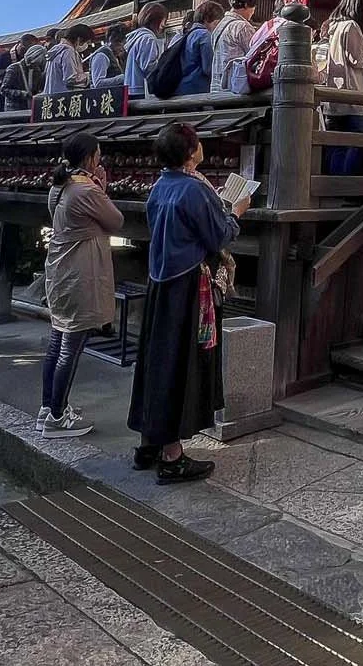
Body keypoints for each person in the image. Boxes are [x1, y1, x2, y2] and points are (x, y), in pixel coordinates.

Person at [129, 122, 246, 483]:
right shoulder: (195, 191)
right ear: (190, 151)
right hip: (187, 287)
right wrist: (237, 211)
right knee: (181, 364)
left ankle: (150, 441)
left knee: (157, 360)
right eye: (197, 142)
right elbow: (218, 235)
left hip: (161, 284)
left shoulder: (161, 186)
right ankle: (172, 455)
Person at [38, 132, 129, 438]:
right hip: (81, 272)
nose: (100, 159)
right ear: (90, 158)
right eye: (99, 154)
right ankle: (57, 416)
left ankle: (48, 407)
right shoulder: (86, 189)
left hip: (60, 269)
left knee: (56, 342)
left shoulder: (60, 185)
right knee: (70, 349)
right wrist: (103, 188)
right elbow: (116, 221)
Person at [321, 0, 363, 173]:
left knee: (336, 146)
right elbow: (358, 60)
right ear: (359, 6)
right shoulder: (351, 26)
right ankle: (346, 189)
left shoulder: (331, 26)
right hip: (351, 97)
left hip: (332, 97)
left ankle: (332, 188)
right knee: (355, 143)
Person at [212, 0, 259, 93]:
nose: (252, 13)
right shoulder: (242, 26)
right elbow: (255, 55)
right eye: (253, 8)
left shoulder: (219, 26)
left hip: (216, 88)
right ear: (247, 5)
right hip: (234, 88)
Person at [124, 2, 170, 98]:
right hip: (141, 90)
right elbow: (149, 67)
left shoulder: (137, 37)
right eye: (164, 20)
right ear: (157, 20)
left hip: (131, 89)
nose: (164, 24)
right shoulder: (147, 39)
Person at [177, 0, 222, 95]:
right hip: (196, 90)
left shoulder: (184, 35)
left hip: (180, 88)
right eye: (217, 23)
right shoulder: (205, 35)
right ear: (207, 19)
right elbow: (209, 69)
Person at [45, 23, 95, 95]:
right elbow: (70, 79)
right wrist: (89, 76)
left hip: (53, 95)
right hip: (65, 97)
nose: (85, 45)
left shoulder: (56, 50)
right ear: (79, 39)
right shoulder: (68, 51)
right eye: (86, 42)